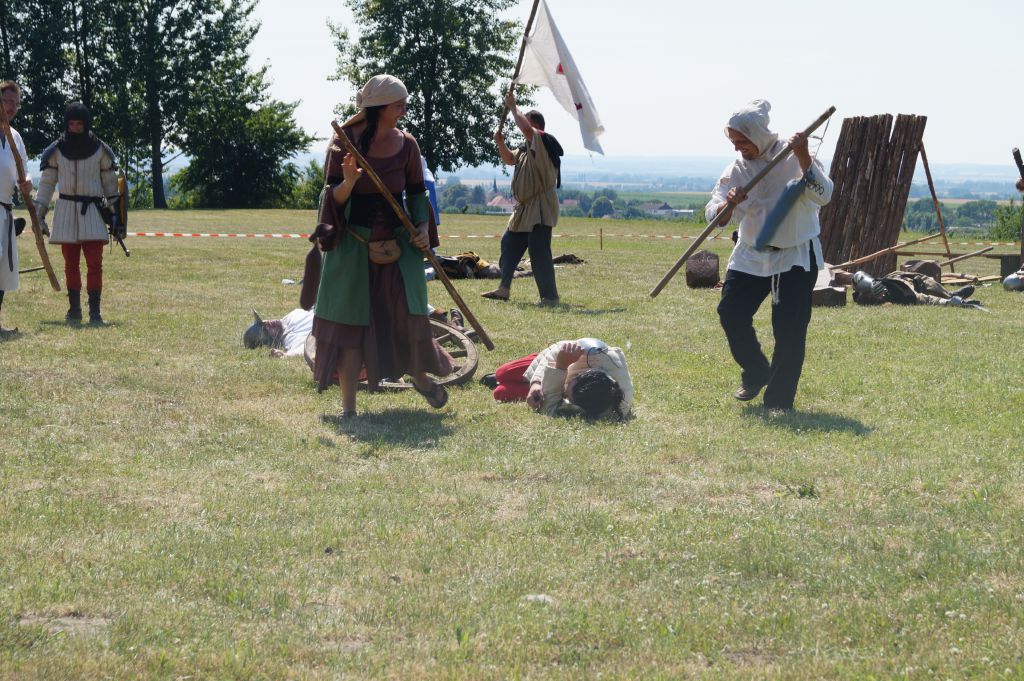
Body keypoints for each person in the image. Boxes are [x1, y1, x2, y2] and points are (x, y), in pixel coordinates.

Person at [312, 75, 449, 417]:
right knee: (352, 325)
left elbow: (416, 193)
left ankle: (419, 377)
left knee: (407, 317)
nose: (404, 109)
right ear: (378, 107)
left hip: (397, 245)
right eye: (398, 104)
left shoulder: (408, 144)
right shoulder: (343, 143)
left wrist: (421, 228)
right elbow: (330, 200)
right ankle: (348, 409)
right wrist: (349, 183)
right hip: (353, 247)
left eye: (404, 103)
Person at [708, 99, 833, 411]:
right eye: (734, 142)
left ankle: (777, 402)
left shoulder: (794, 156)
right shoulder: (737, 169)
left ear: (758, 134)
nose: (738, 148)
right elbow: (713, 212)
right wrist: (728, 205)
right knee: (731, 313)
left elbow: (825, 195)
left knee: (789, 331)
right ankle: (756, 371)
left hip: (794, 256)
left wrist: (803, 155)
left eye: (742, 141)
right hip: (751, 254)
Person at [34, 102, 121, 325]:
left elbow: (110, 184)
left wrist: (116, 216)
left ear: (86, 124)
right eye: (71, 124)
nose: (74, 128)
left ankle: (95, 313)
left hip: (93, 212)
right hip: (66, 213)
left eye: (79, 124)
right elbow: (47, 183)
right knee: (70, 265)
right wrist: (39, 213)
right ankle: (74, 310)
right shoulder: (56, 150)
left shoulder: (100, 150)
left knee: (95, 264)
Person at [481, 91, 562, 304]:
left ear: (536, 127)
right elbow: (509, 159)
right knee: (509, 244)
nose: (522, 128)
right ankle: (504, 288)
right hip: (524, 209)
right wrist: (500, 143)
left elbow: (526, 129)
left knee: (539, 253)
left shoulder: (543, 143)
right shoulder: (525, 150)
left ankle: (550, 297)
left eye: (527, 122)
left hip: (540, 207)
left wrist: (513, 105)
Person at [485, 338, 632, 420]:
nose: (565, 397)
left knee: (501, 392)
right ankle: (521, 377)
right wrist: (536, 382)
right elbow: (555, 351)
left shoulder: (610, 406)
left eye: (568, 397)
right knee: (503, 373)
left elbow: (548, 409)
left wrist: (548, 385)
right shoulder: (590, 352)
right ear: (580, 375)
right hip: (554, 360)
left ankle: (518, 383)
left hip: (555, 375)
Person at [1, 81, 32, 338]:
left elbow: (25, 168)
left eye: (16, 103)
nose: (12, 107)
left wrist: (27, 182)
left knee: (2, 270)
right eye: (7, 101)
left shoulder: (16, 137)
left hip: (5, 210)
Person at [837, 269, 986, 309]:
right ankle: (951, 297)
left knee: (929, 282)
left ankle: (949, 294)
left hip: (899, 277)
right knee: (931, 292)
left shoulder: (889, 284)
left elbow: (859, 278)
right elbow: (926, 300)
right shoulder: (902, 295)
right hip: (913, 287)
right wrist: (952, 303)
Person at [243, 308, 315, 357]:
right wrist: (285, 355)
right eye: (266, 329)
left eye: (264, 322)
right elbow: (303, 349)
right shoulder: (291, 339)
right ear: (270, 341)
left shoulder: (289, 317)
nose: (268, 322)